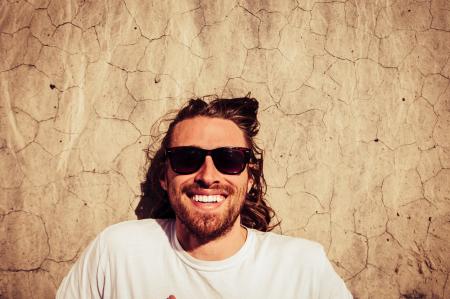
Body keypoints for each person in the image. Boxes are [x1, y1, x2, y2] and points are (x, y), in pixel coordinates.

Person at [56, 97, 353, 299]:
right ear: (164, 176)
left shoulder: (302, 267)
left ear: (250, 178)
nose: (208, 175)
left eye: (230, 159)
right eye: (187, 158)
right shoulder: (117, 252)